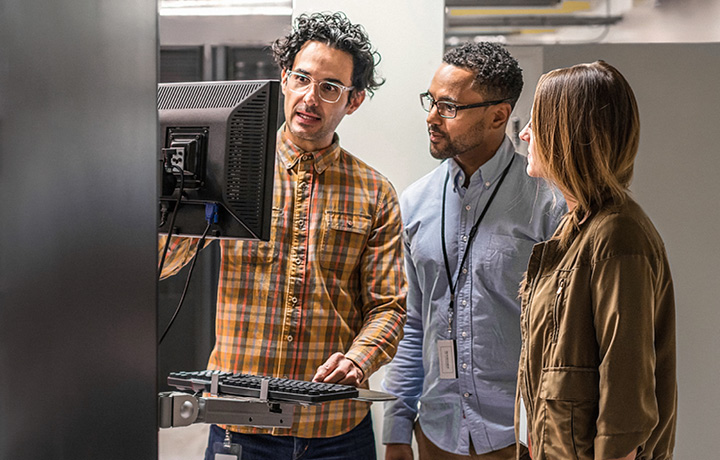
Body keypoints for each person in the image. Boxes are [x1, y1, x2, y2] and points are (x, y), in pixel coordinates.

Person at [160, 12, 406, 460]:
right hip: (239, 416)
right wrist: (170, 197)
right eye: (302, 78)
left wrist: (359, 359)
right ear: (284, 79)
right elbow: (164, 263)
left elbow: (388, 307)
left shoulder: (375, 192)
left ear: (353, 101)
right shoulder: (231, 171)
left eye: (330, 87)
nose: (311, 98)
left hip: (334, 427)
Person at [381, 42, 565, 460]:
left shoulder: (548, 204)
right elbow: (414, 323)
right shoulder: (414, 204)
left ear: (498, 115)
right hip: (436, 434)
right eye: (431, 101)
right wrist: (396, 428)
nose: (431, 117)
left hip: (520, 437)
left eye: (448, 107)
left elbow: (562, 336)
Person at [515, 60, 677, 459]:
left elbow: (626, 402)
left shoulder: (617, 236)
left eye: (536, 123)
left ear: (567, 135)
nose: (523, 134)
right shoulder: (577, 228)